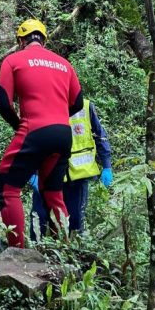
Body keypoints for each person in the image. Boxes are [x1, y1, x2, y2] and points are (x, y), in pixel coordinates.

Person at [0, 19, 83, 248]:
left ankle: (17, 251)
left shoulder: (13, 60)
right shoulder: (65, 64)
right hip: (63, 134)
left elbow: (3, 101)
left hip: (34, 128)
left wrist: (19, 125)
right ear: (43, 39)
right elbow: (78, 103)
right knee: (53, 193)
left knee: (7, 188)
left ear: (21, 40)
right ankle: (61, 251)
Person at [29, 99, 113, 240]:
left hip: (77, 176)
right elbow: (31, 141)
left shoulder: (85, 107)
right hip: (48, 175)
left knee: (74, 220)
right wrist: (32, 172)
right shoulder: (42, 106)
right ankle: (34, 253)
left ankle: (70, 254)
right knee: (40, 217)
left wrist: (107, 165)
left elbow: (100, 136)